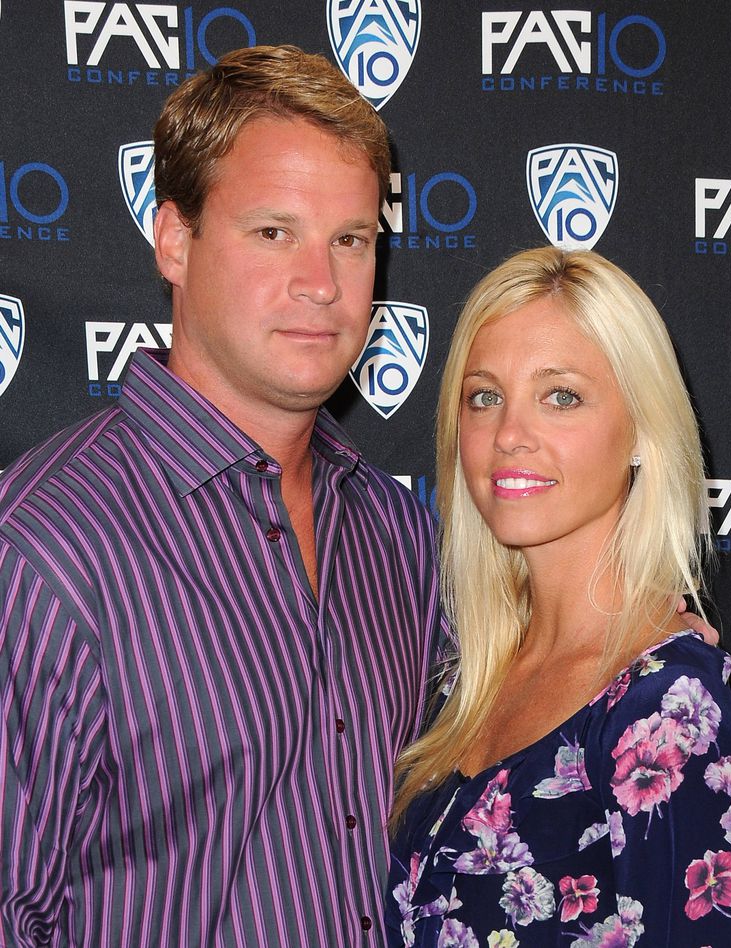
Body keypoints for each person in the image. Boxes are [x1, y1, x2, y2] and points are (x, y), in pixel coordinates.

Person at [0, 46, 445, 946]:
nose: (321, 284)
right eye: (274, 232)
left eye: (351, 240)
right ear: (175, 240)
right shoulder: (45, 549)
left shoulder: (402, 534)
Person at [385, 247, 731, 946]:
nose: (509, 435)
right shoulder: (465, 676)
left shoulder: (665, 713)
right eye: (484, 396)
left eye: (561, 396)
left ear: (642, 433)